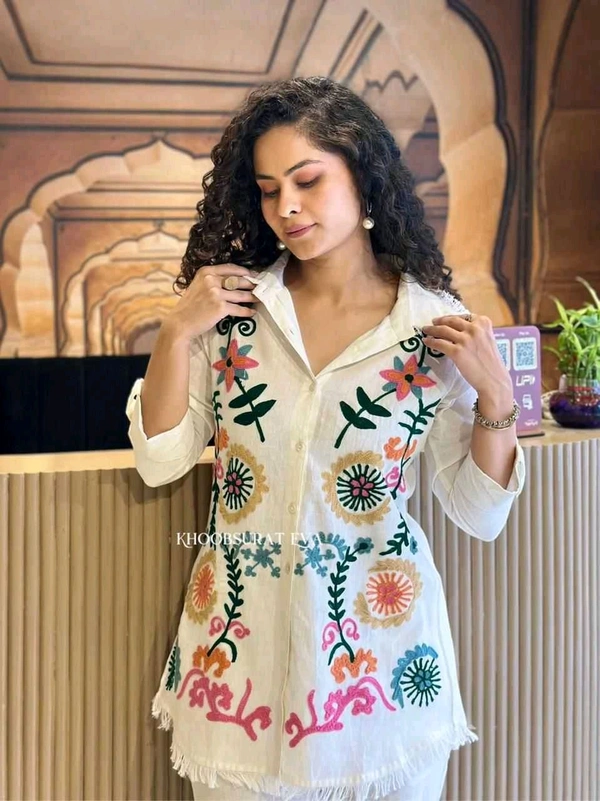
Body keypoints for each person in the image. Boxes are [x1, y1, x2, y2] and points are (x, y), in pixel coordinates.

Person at [125, 77, 526, 801]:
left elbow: (479, 512)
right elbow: (160, 459)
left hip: (384, 682)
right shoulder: (235, 313)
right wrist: (177, 331)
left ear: (364, 181)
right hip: (239, 680)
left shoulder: (429, 328)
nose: (286, 206)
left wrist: (497, 400)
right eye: (269, 189)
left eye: (307, 181)